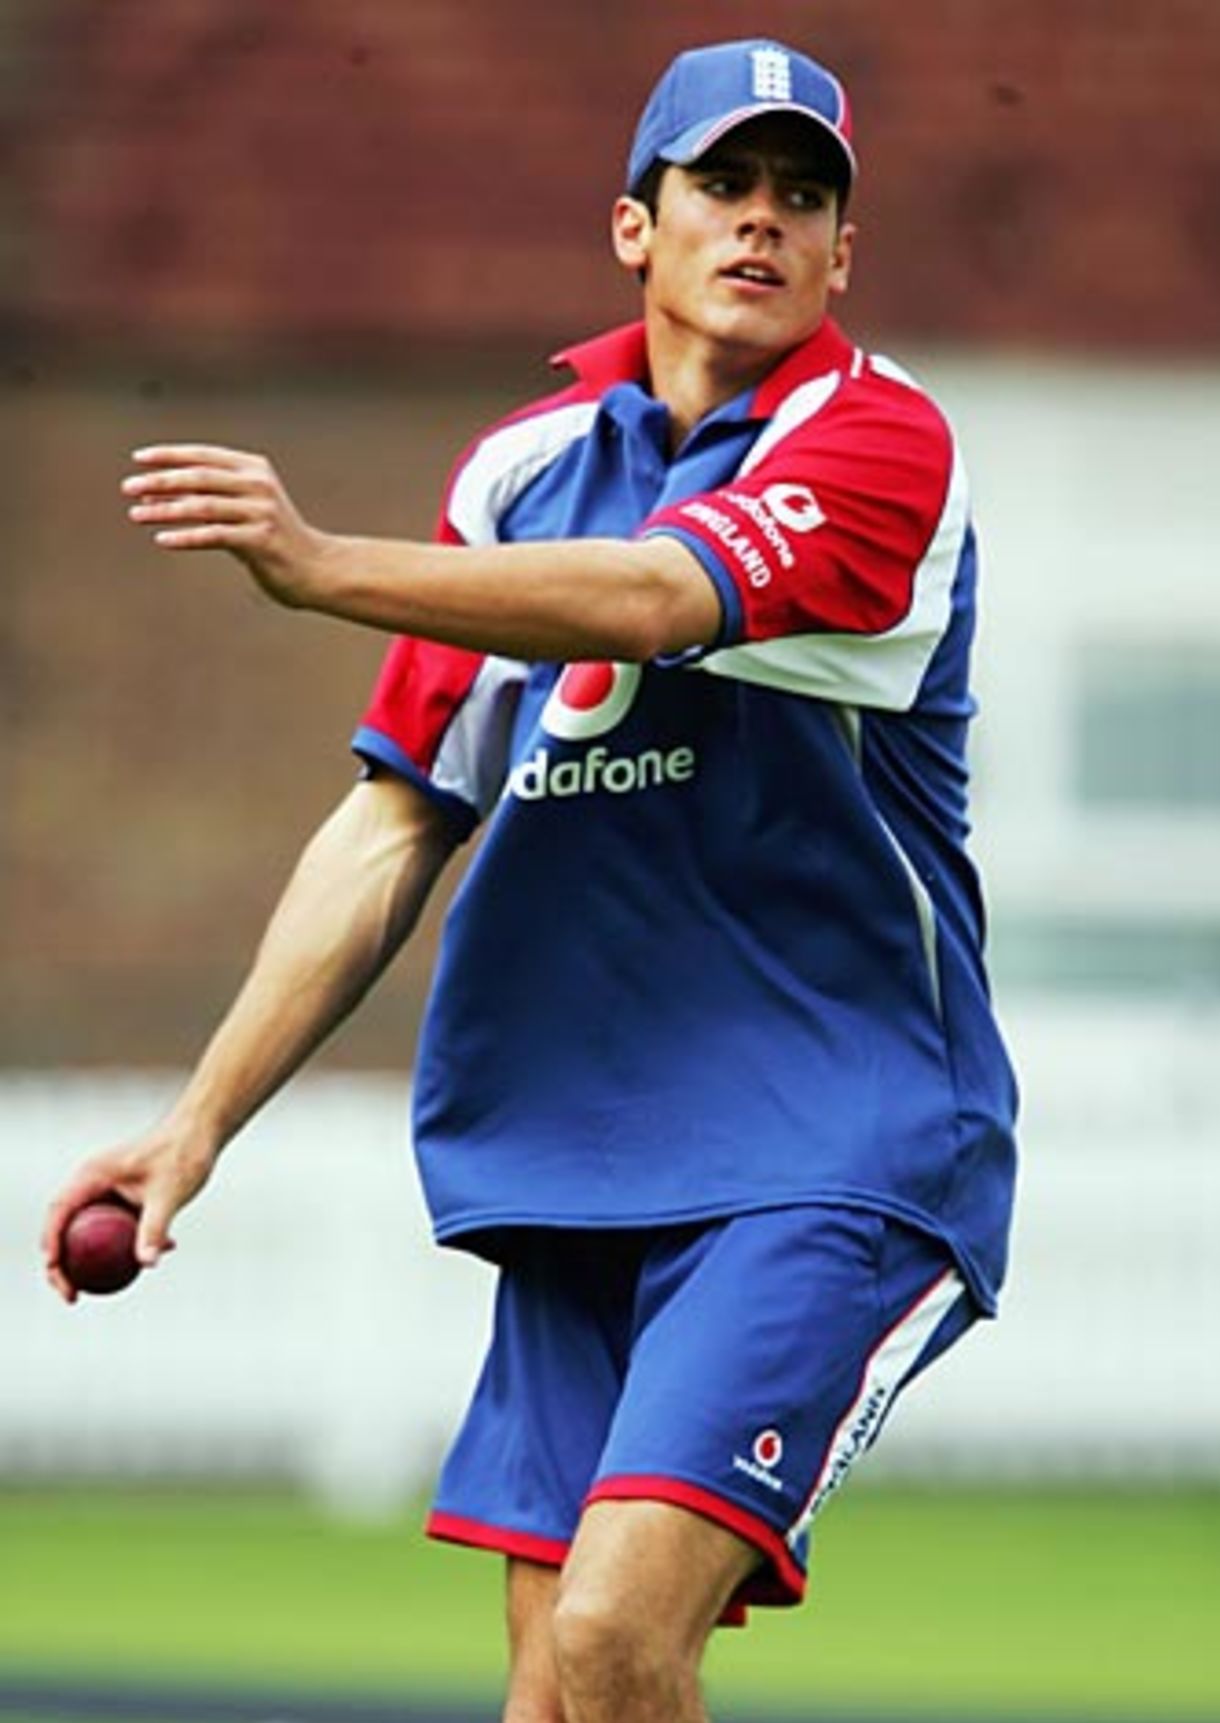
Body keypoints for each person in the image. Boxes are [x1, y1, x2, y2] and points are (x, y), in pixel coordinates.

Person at [44, 37, 1018, 1723]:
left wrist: (318, 562)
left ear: (847, 253)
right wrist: (194, 1124)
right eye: (723, 185)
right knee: (548, 1698)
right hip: (587, 1158)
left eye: (806, 198)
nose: (764, 223)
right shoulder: (520, 472)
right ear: (635, 227)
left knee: (617, 1639)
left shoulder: (883, 448)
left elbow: (652, 600)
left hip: (832, 1145)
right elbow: (397, 818)